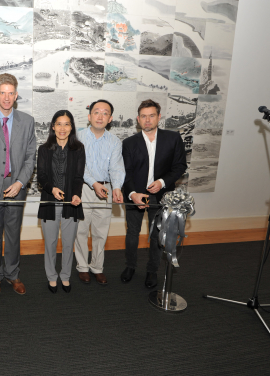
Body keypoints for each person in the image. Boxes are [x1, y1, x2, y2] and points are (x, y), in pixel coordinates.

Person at [0, 73, 36, 298]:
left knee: (13, 233)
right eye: (3, 92)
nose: (7, 97)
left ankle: (12, 273)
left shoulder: (27, 121)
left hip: (16, 187)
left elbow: (31, 157)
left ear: (16, 94)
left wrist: (20, 182)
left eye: (11, 93)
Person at [121, 99, 187, 288]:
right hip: (135, 195)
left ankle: (152, 271)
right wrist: (133, 193)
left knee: (157, 235)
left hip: (161, 195)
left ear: (159, 117)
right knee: (132, 233)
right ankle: (130, 266)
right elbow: (126, 172)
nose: (147, 120)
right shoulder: (129, 143)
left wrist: (162, 182)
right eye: (143, 116)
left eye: (151, 115)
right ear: (138, 119)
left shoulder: (172, 138)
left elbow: (180, 165)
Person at [74, 100, 125, 285]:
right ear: (89, 116)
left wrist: (117, 187)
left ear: (110, 119)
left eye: (105, 113)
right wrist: (94, 183)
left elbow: (117, 168)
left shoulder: (114, 141)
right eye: (96, 112)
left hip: (106, 189)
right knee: (80, 230)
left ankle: (97, 267)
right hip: (84, 188)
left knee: (100, 231)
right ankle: (82, 267)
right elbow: (79, 167)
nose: (100, 116)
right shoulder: (78, 138)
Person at [37, 110, 85, 294]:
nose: (62, 128)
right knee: (49, 243)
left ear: (71, 127)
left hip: (70, 204)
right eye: (59, 124)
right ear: (53, 126)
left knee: (67, 242)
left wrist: (76, 194)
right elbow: (41, 176)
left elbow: (79, 176)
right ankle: (51, 276)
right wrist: (52, 188)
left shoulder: (78, 149)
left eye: (66, 124)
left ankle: (65, 276)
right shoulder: (44, 149)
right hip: (49, 202)